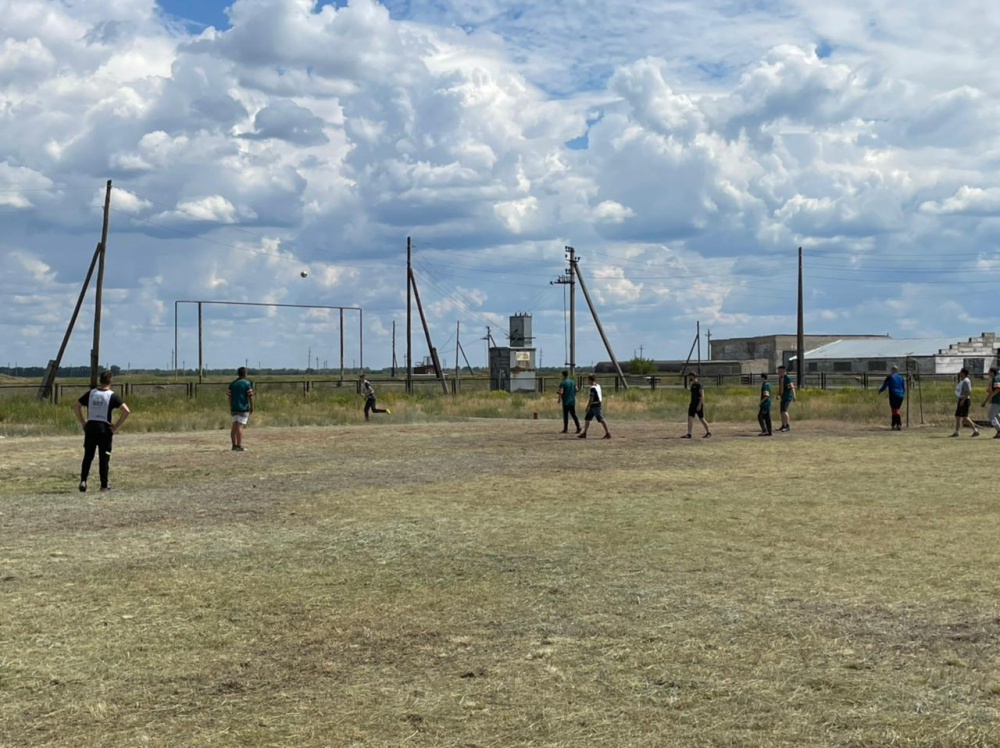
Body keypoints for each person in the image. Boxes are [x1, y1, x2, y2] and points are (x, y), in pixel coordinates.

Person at [73, 370, 130, 493]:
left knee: (88, 456)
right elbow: (126, 411)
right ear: (111, 381)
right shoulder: (112, 395)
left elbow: (76, 406)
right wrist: (116, 426)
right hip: (104, 430)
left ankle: (83, 480)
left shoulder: (91, 393)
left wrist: (83, 422)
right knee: (104, 457)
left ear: (100, 381)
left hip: (90, 428)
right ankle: (104, 485)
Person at [227, 367, 255, 451]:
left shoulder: (232, 384)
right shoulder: (246, 383)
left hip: (234, 408)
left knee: (234, 426)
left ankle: (234, 445)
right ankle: (239, 445)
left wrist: (231, 406)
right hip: (243, 408)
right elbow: (250, 396)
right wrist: (252, 406)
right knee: (240, 426)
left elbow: (229, 397)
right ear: (245, 373)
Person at [578, 374, 611, 439]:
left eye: (588, 380)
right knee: (587, 418)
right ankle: (584, 433)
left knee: (601, 419)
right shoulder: (598, 385)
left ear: (590, 380)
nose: (588, 381)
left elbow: (591, 399)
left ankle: (608, 433)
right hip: (595, 405)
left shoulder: (592, 388)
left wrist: (587, 406)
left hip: (595, 406)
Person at [952, 367, 980, 438]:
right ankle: (956, 432)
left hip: (965, 400)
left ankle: (975, 431)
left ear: (964, 373)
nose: (960, 373)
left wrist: (963, 400)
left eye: (961, 372)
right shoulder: (962, 380)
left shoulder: (966, 381)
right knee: (957, 416)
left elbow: (968, 392)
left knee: (965, 417)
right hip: (961, 399)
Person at [682, 372, 711, 438]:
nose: (689, 378)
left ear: (693, 376)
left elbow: (702, 395)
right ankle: (689, 433)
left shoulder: (699, 385)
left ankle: (708, 432)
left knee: (702, 419)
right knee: (690, 418)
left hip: (698, 404)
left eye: (690, 376)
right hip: (692, 404)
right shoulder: (692, 385)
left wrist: (699, 405)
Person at [878, 365, 906, 430]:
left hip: (894, 395)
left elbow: (884, 385)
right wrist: (903, 394)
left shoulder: (890, 377)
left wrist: (880, 390)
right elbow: (903, 387)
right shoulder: (901, 377)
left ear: (892, 370)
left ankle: (898, 424)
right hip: (901, 395)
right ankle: (893, 424)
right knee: (895, 410)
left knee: (895, 410)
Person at [981, 366, 1000, 439]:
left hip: (997, 400)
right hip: (995, 400)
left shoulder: (996, 379)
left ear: (992, 372)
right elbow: (990, 392)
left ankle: (999, 430)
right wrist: (985, 401)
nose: (988, 373)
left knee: (991, 415)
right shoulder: (992, 381)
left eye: (989, 372)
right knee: (997, 415)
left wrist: (991, 397)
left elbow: (998, 389)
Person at [777, 364, 795, 432]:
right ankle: (783, 425)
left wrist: (794, 396)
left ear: (784, 371)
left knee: (784, 410)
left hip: (787, 397)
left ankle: (787, 425)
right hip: (783, 397)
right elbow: (780, 387)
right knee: (781, 411)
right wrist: (778, 395)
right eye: (779, 371)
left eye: (781, 371)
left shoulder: (787, 378)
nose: (779, 372)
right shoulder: (781, 378)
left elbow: (792, 387)